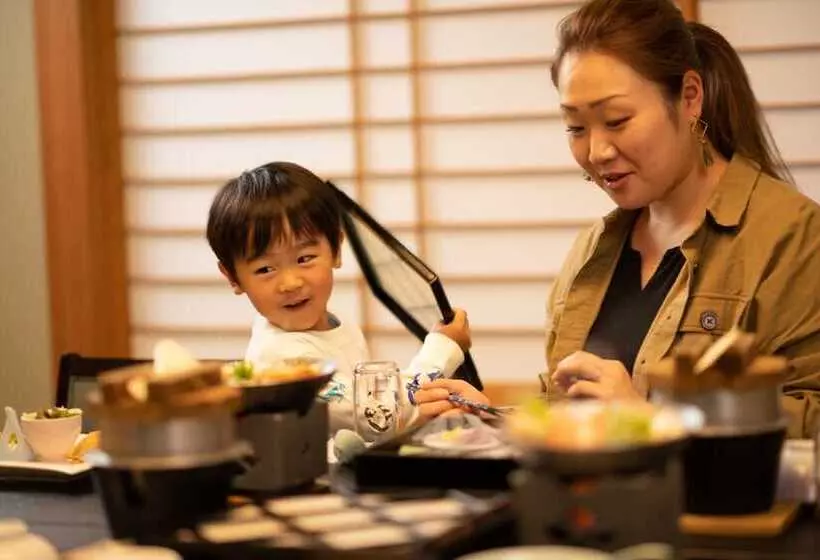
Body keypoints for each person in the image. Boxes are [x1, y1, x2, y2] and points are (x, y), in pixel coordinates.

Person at [415, 0, 820, 438]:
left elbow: (812, 419)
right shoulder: (593, 251)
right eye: (576, 128)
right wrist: (497, 419)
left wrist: (655, 416)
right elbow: (572, 413)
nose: (597, 152)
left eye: (617, 120)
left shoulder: (792, 236)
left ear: (688, 98)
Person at [205, 161, 472, 434]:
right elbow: (375, 414)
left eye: (304, 258)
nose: (290, 283)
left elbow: (381, 393)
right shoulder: (278, 359)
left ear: (336, 251)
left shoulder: (337, 324)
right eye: (265, 269)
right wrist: (443, 349)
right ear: (233, 277)